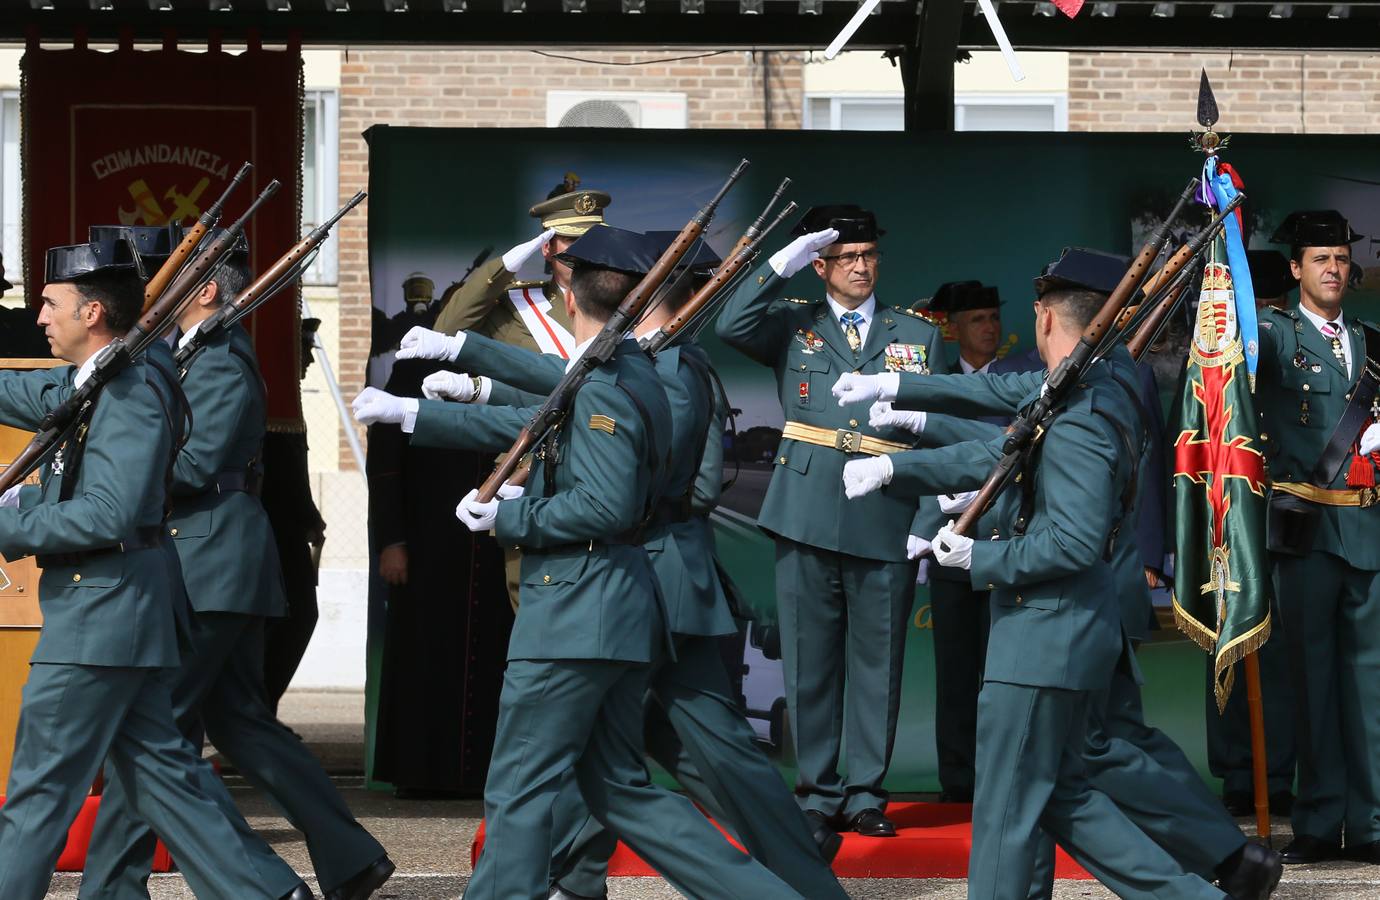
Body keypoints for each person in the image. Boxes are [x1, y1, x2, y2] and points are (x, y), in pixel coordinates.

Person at [391, 227, 847, 899]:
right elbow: (563, 394)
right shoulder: (645, 363)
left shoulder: (662, 368)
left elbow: (629, 470)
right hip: (637, 588)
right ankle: (581, 880)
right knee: (618, 776)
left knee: (664, 764)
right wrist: (455, 388)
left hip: (631, 582)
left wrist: (514, 505)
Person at [834, 247, 1283, 899]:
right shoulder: (1090, 385)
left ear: (1045, 319)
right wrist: (896, 457)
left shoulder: (1080, 413)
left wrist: (977, 557)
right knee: (1059, 791)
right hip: (1064, 627)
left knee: (1011, 805)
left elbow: (1070, 541)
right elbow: (997, 432)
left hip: (1046, 632)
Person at [80, 232, 394, 900]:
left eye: (169, 282)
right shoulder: (184, 357)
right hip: (209, 565)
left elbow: (195, 467)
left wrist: (112, 458)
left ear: (205, 292)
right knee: (240, 725)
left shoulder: (219, 361)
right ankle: (350, 854)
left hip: (210, 567)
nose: (153, 295)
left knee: (151, 734)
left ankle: (174, 885)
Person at [0, 236, 294, 900]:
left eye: (51, 305)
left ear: (93, 313)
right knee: (168, 783)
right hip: (118, 613)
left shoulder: (129, 389)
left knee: (39, 793)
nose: (39, 317)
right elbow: (35, 395)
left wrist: (9, 522)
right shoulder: (102, 376)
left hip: (100, 614)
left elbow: (111, 513)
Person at [714, 205, 945, 840]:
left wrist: (927, 515)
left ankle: (867, 791)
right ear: (820, 265)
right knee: (810, 662)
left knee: (880, 663)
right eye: (846, 258)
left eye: (869, 255)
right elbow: (730, 322)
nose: (862, 267)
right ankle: (817, 790)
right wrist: (778, 263)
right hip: (808, 511)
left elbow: (940, 431)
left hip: (887, 513)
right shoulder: (793, 325)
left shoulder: (917, 335)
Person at [1257, 210, 1380, 864]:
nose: (1333, 268)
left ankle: (1371, 824)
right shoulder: (1277, 337)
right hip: (1305, 533)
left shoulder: (1372, 342)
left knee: (1370, 688)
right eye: (1320, 259)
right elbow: (1241, 356)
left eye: (1340, 257)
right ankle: (1316, 820)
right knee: (1310, 684)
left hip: (1368, 527)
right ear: (1298, 269)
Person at [432, 178, 611, 610]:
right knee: (535, 613)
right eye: (571, 241)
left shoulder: (627, 302)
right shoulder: (519, 305)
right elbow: (445, 330)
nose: (586, 251)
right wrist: (508, 264)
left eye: (595, 239)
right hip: (531, 474)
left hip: (607, 469)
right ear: (548, 247)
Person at [367, 271, 509, 797]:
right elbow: (386, 462)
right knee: (426, 658)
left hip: (495, 542)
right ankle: (422, 771)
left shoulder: (511, 360)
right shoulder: (415, 364)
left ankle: (482, 775)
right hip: (427, 540)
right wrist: (393, 539)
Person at [1204, 248, 1297, 817]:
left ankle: (1278, 773)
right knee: (1228, 650)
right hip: (1225, 528)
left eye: (1269, 306)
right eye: (1252, 306)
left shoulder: (1291, 359)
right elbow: (1186, 448)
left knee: (1283, 656)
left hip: (1290, 526)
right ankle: (1239, 772)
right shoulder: (1215, 362)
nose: (1261, 318)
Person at [919, 279, 1003, 803]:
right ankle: (958, 780)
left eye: (994, 317)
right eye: (978, 319)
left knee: (1003, 673)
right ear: (952, 329)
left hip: (1004, 547)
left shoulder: (1025, 380)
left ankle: (1001, 777)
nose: (990, 327)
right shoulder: (934, 384)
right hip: (949, 548)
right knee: (955, 672)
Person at [262, 316, 327, 713]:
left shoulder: (291, 408)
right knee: (293, 618)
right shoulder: (271, 406)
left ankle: (261, 710)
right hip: (271, 533)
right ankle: (257, 714)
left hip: (289, 531)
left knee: (298, 618)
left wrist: (311, 516)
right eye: (302, 352)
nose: (309, 362)